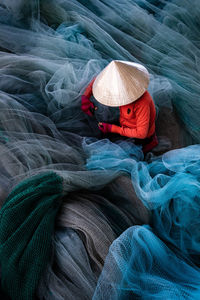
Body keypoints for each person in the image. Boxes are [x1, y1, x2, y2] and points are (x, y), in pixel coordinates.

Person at [81, 60, 158, 154]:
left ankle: (150, 142)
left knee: (113, 152)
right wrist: (85, 97)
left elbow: (141, 133)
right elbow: (97, 81)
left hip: (139, 136)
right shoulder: (115, 78)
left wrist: (113, 128)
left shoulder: (142, 102)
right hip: (124, 124)